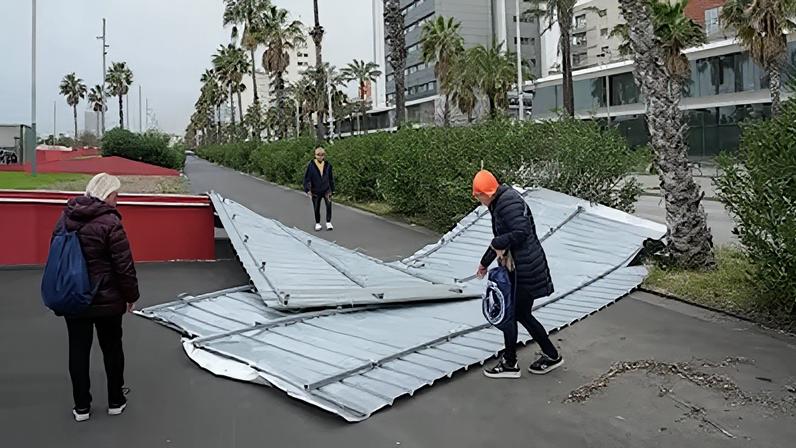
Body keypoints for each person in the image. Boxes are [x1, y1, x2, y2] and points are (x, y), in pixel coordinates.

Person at [52, 173, 139, 421]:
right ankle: (115, 401)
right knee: (112, 349)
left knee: (78, 350)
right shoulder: (111, 223)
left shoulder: (66, 217)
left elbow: (56, 254)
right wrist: (131, 295)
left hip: (73, 296)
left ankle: (81, 407)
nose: (118, 200)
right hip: (107, 299)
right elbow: (124, 266)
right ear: (108, 195)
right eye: (116, 195)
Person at [473, 170, 563, 378]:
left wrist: (496, 245)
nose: (479, 201)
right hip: (521, 267)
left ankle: (512, 363)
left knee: (513, 314)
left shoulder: (507, 203)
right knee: (519, 314)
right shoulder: (500, 202)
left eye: (479, 197)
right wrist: (484, 263)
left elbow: (519, 234)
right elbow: (502, 239)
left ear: (486, 193)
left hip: (525, 269)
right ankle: (547, 355)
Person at [303, 146, 335, 231]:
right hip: (315, 190)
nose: (320, 156)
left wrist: (333, 189)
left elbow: (331, 178)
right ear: (315, 155)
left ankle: (328, 222)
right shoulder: (311, 165)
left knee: (329, 205)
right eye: (318, 155)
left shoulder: (328, 165)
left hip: (326, 189)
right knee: (316, 207)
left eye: (322, 155)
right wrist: (307, 189)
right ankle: (317, 223)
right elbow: (307, 178)